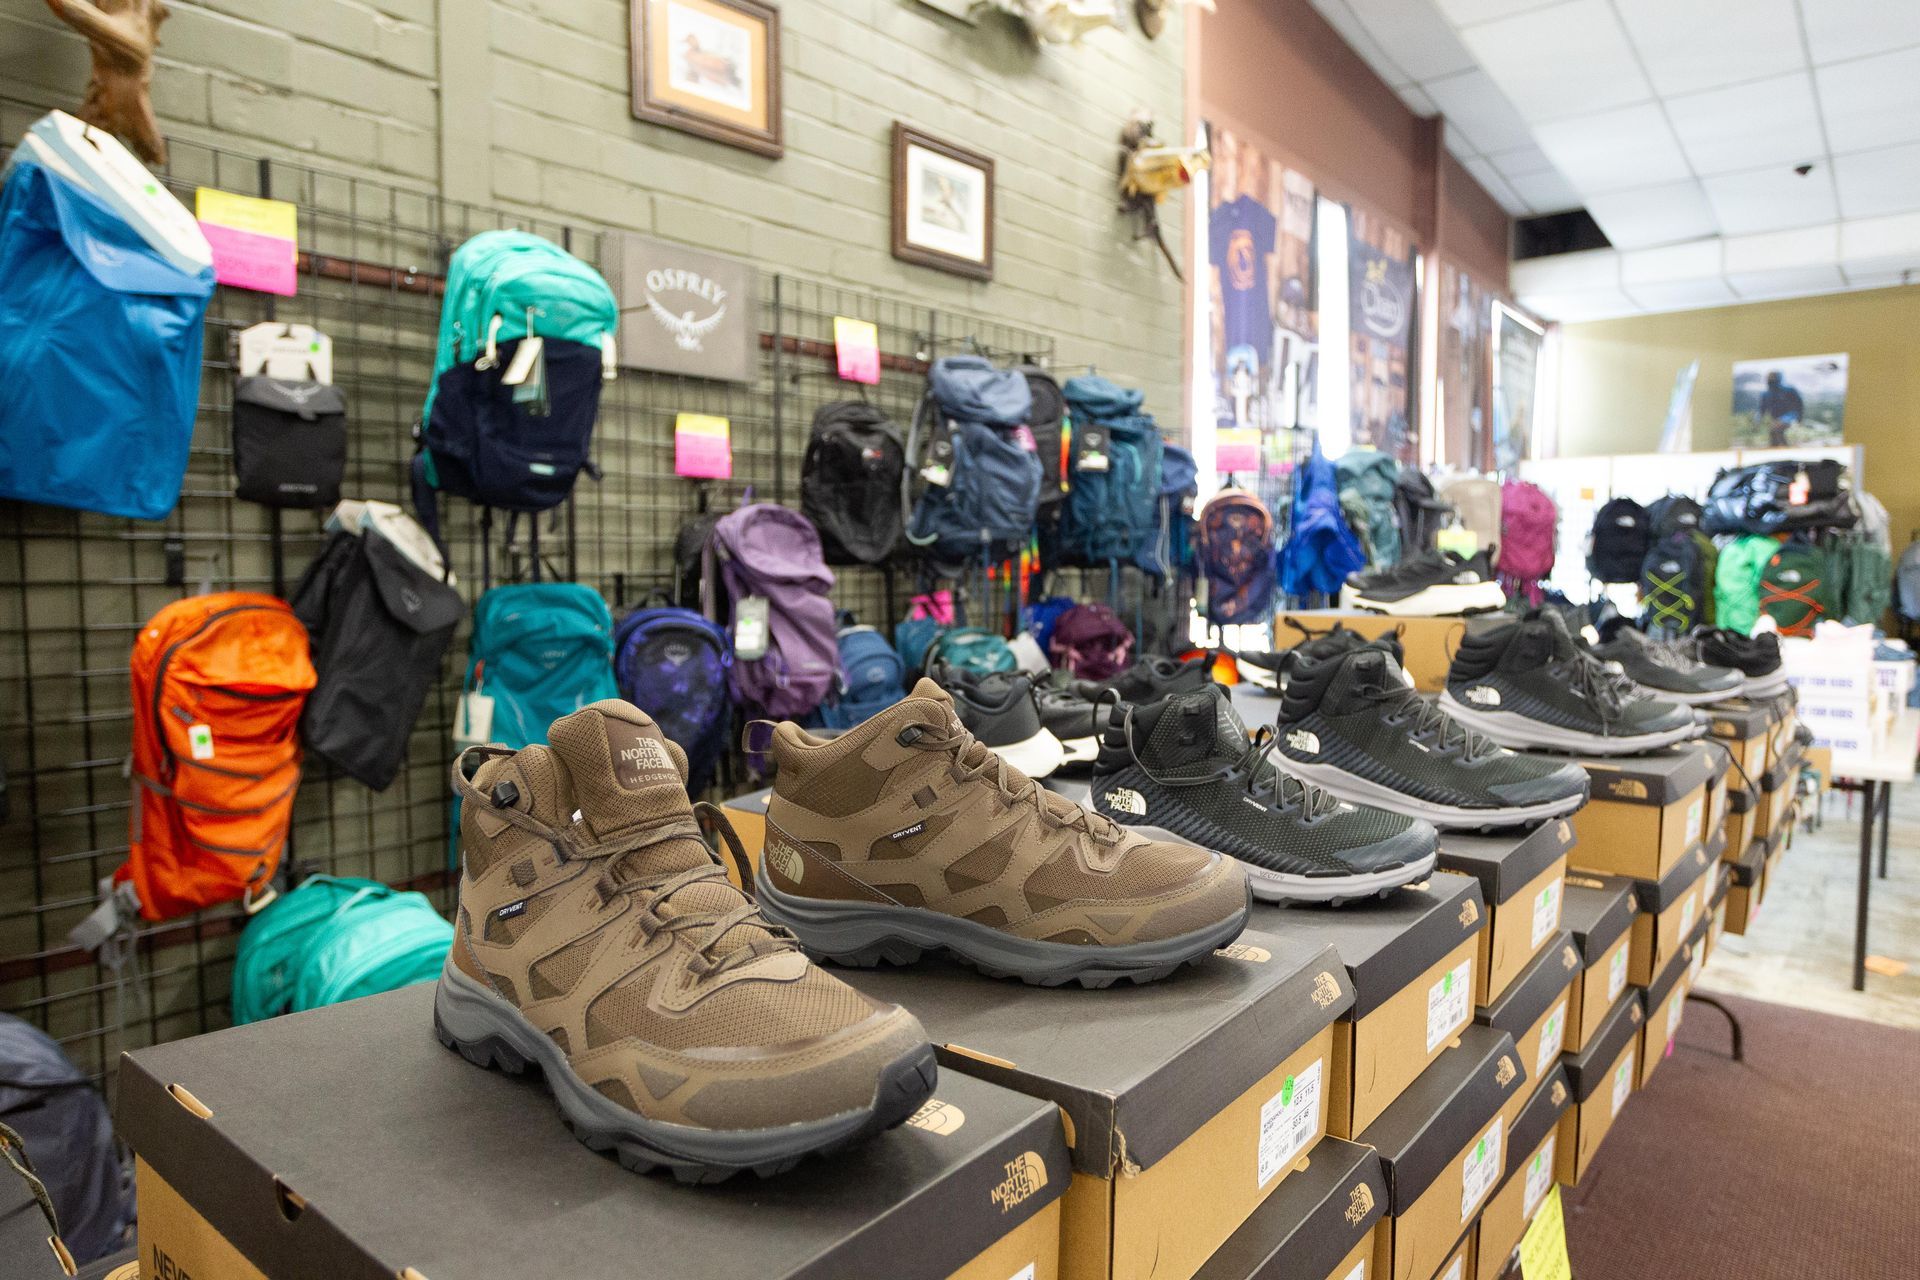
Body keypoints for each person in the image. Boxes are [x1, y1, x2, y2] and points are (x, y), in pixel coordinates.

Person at [1754, 369, 1804, 447]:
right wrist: (1757, 420)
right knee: (1774, 432)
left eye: (1774, 381)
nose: (1771, 383)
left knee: (1776, 428)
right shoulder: (1766, 394)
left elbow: (1799, 406)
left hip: (1790, 416)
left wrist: (1799, 419)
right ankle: (1777, 449)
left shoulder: (1790, 390)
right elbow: (1761, 410)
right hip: (1776, 420)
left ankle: (1784, 449)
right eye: (1770, 381)